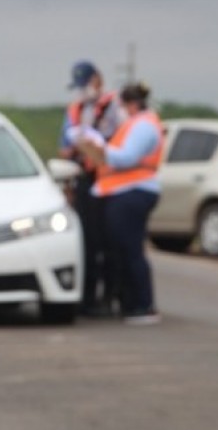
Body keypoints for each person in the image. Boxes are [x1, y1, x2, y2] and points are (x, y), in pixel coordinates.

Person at [76, 82, 163, 325]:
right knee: (123, 249)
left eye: (122, 105)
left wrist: (99, 148)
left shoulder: (144, 125)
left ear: (131, 104)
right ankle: (132, 303)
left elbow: (126, 158)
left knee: (130, 249)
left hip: (133, 192)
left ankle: (143, 305)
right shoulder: (136, 123)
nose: (120, 110)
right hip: (123, 192)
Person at [59, 60, 121, 317]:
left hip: (109, 182)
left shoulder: (115, 107)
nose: (83, 91)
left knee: (110, 243)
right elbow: (63, 149)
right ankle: (87, 298)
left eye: (85, 85)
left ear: (98, 80)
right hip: (84, 181)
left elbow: (118, 146)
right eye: (79, 87)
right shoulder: (75, 110)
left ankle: (111, 296)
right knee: (87, 243)